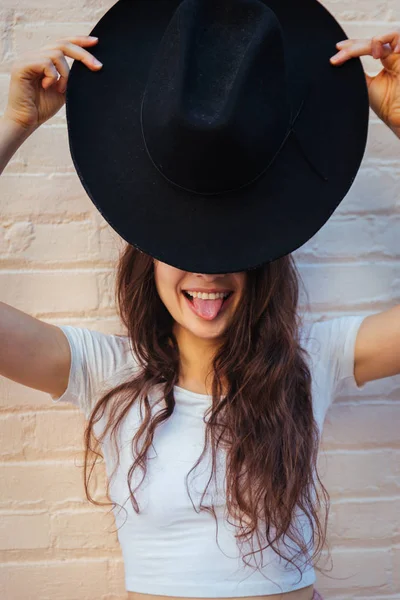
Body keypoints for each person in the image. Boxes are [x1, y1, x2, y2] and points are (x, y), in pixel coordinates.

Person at [1, 19, 400, 600]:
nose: (208, 273)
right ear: (147, 258)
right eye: (183, 247)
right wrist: (14, 124)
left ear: (262, 259)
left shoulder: (315, 359)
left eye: (230, 250)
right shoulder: (104, 372)